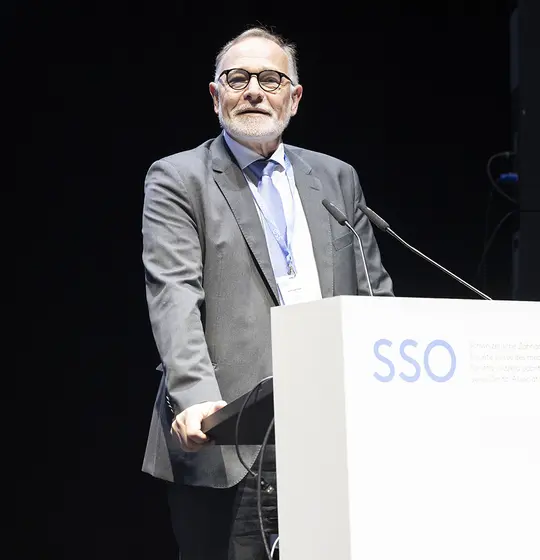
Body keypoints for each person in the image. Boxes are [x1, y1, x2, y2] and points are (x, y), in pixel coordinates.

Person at [140, 26, 393, 559]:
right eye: (238, 78)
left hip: (330, 432)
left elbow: (374, 296)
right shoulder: (178, 179)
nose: (254, 91)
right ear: (216, 95)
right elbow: (174, 296)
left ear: (294, 98)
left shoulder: (337, 178)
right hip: (229, 437)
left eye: (271, 79)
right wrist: (197, 400)